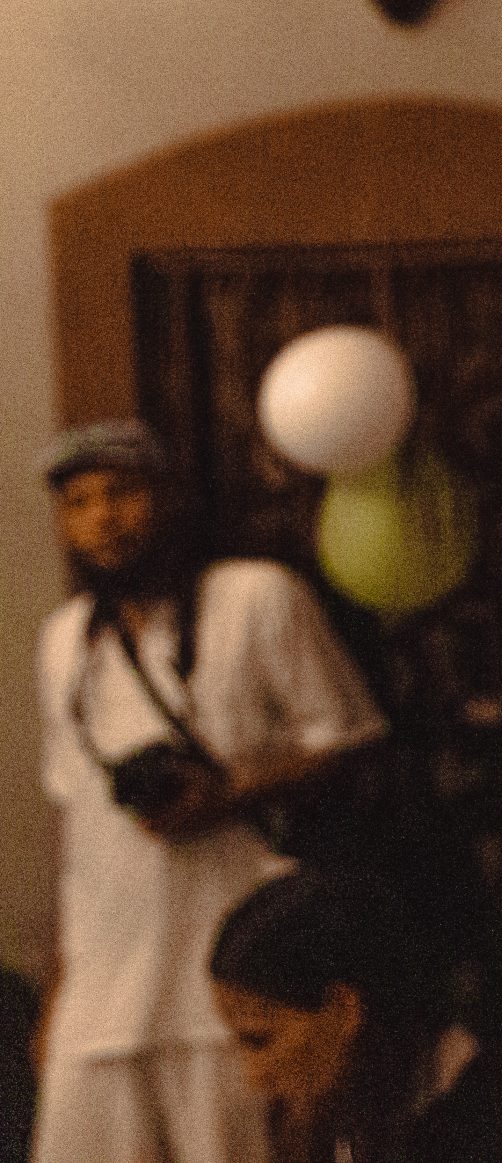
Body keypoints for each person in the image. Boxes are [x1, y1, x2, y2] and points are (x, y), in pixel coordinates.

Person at [32, 421, 388, 1163]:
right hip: (101, 986)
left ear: (169, 497)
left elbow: (352, 741)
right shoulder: (65, 639)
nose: (103, 519)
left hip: (229, 981)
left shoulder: (255, 595)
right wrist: (59, 986)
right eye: (80, 502)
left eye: (123, 492)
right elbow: (77, 827)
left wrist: (227, 796)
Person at [208, 870, 502, 1163]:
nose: (253, 1078)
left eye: (259, 1040)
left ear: (343, 1009)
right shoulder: (351, 1113)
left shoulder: (498, 1131)